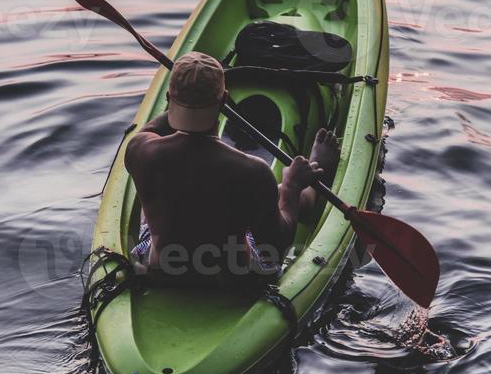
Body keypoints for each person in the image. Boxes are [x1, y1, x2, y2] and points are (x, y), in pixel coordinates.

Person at [124, 51, 340, 282]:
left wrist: (186, 100)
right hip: (232, 279)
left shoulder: (140, 150)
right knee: (277, 193)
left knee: (155, 202)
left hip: (163, 271)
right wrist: (291, 185)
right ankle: (309, 187)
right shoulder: (253, 170)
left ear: (168, 98)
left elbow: (151, 130)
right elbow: (276, 246)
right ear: (224, 99)